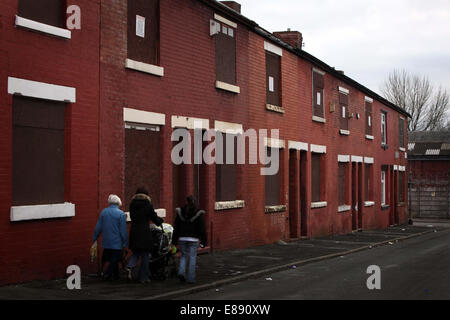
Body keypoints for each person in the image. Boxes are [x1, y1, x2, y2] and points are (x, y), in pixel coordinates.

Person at [126, 187, 164, 284]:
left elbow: (133, 216)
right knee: (145, 255)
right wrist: (160, 221)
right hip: (144, 233)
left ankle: (129, 267)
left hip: (134, 232)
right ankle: (143, 277)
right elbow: (154, 217)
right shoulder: (148, 204)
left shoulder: (132, 204)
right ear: (146, 195)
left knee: (136, 252)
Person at [93, 194, 128, 281]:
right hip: (117, 242)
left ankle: (116, 276)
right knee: (114, 260)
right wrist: (125, 242)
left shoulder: (104, 212)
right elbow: (123, 231)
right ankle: (107, 274)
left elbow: (98, 227)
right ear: (118, 203)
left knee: (110, 259)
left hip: (106, 241)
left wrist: (95, 237)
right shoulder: (121, 214)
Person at [172, 195, 207, 284]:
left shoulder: (181, 212)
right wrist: (203, 241)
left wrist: (174, 241)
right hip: (194, 239)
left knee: (183, 256)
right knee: (192, 258)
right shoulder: (198, 213)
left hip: (182, 238)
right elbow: (202, 228)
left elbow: (176, 227)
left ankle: (181, 273)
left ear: (186, 202)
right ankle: (191, 278)